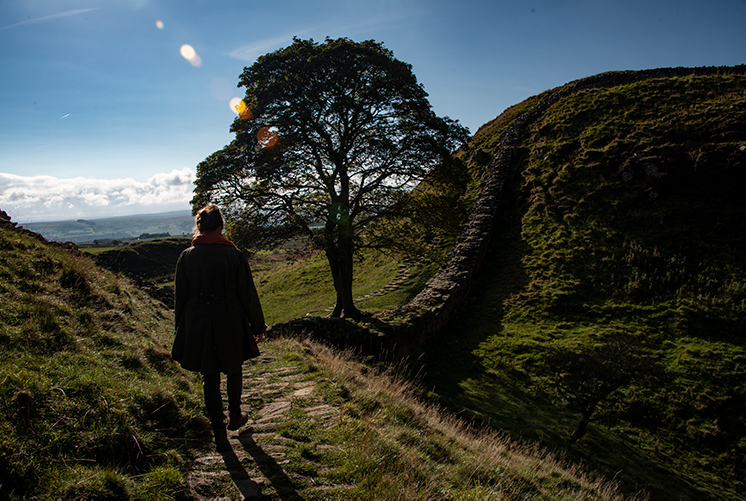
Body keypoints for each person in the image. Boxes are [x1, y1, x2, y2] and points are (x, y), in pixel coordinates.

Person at [172, 203, 266, 451]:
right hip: (230, 321)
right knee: (233, 368)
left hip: (198, 323)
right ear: (221, 226)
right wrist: (257, 324)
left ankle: (219, 432)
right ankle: (235, 415)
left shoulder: (186, 257)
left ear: (200, 226)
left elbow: (180, 298)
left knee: (209, 376)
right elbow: (247, 293)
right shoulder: (234, 256)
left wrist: (180, 330)